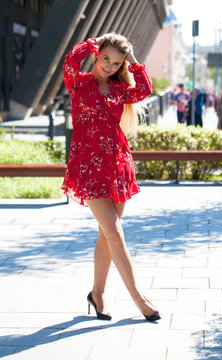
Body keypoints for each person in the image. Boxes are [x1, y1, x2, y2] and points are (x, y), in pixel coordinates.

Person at [61, 33, 160, 321]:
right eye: (105, 58)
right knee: (115, 233)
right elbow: (69, 62)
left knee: (107, 235)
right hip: (89, 169)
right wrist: (93, 42)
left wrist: (132, 60)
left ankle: (97, 293)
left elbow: (144, 89)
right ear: (96, 54)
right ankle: (139, 299)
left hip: (117, 166)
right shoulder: (78, 83)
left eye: (116, 63)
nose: (109, 65)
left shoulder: (119, 89)